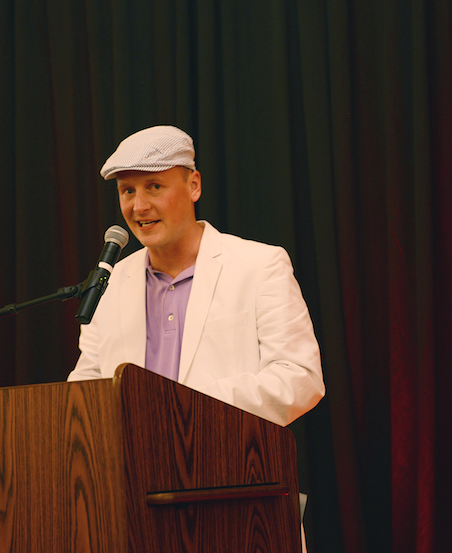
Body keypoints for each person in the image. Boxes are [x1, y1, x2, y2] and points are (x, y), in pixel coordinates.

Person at [68, 125, 324, 428]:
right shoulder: (109, 283)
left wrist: (185, 407)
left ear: (194, 185)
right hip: (129, 457)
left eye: (154, 187)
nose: (139, 206)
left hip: (226, 450)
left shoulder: (259, 266)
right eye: (128, 191)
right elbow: (85, 390)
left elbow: (299, 378)